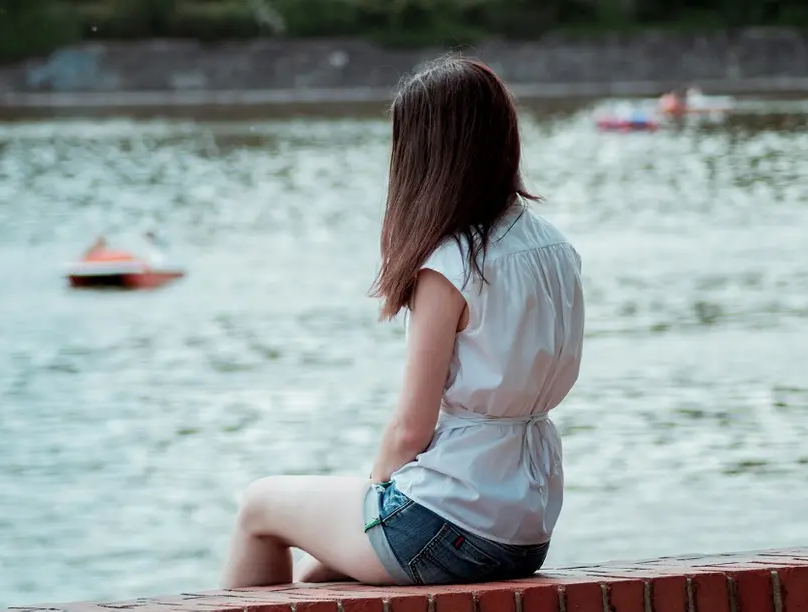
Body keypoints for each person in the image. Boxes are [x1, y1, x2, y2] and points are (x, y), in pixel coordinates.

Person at [219, 55, 585, 589]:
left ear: (425, 154)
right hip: (525, 527)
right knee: (321, 575)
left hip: (453, 523)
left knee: (259, 507)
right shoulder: (555, 247)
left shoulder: (455, 262)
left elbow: (410, 429)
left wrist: (374, 501)